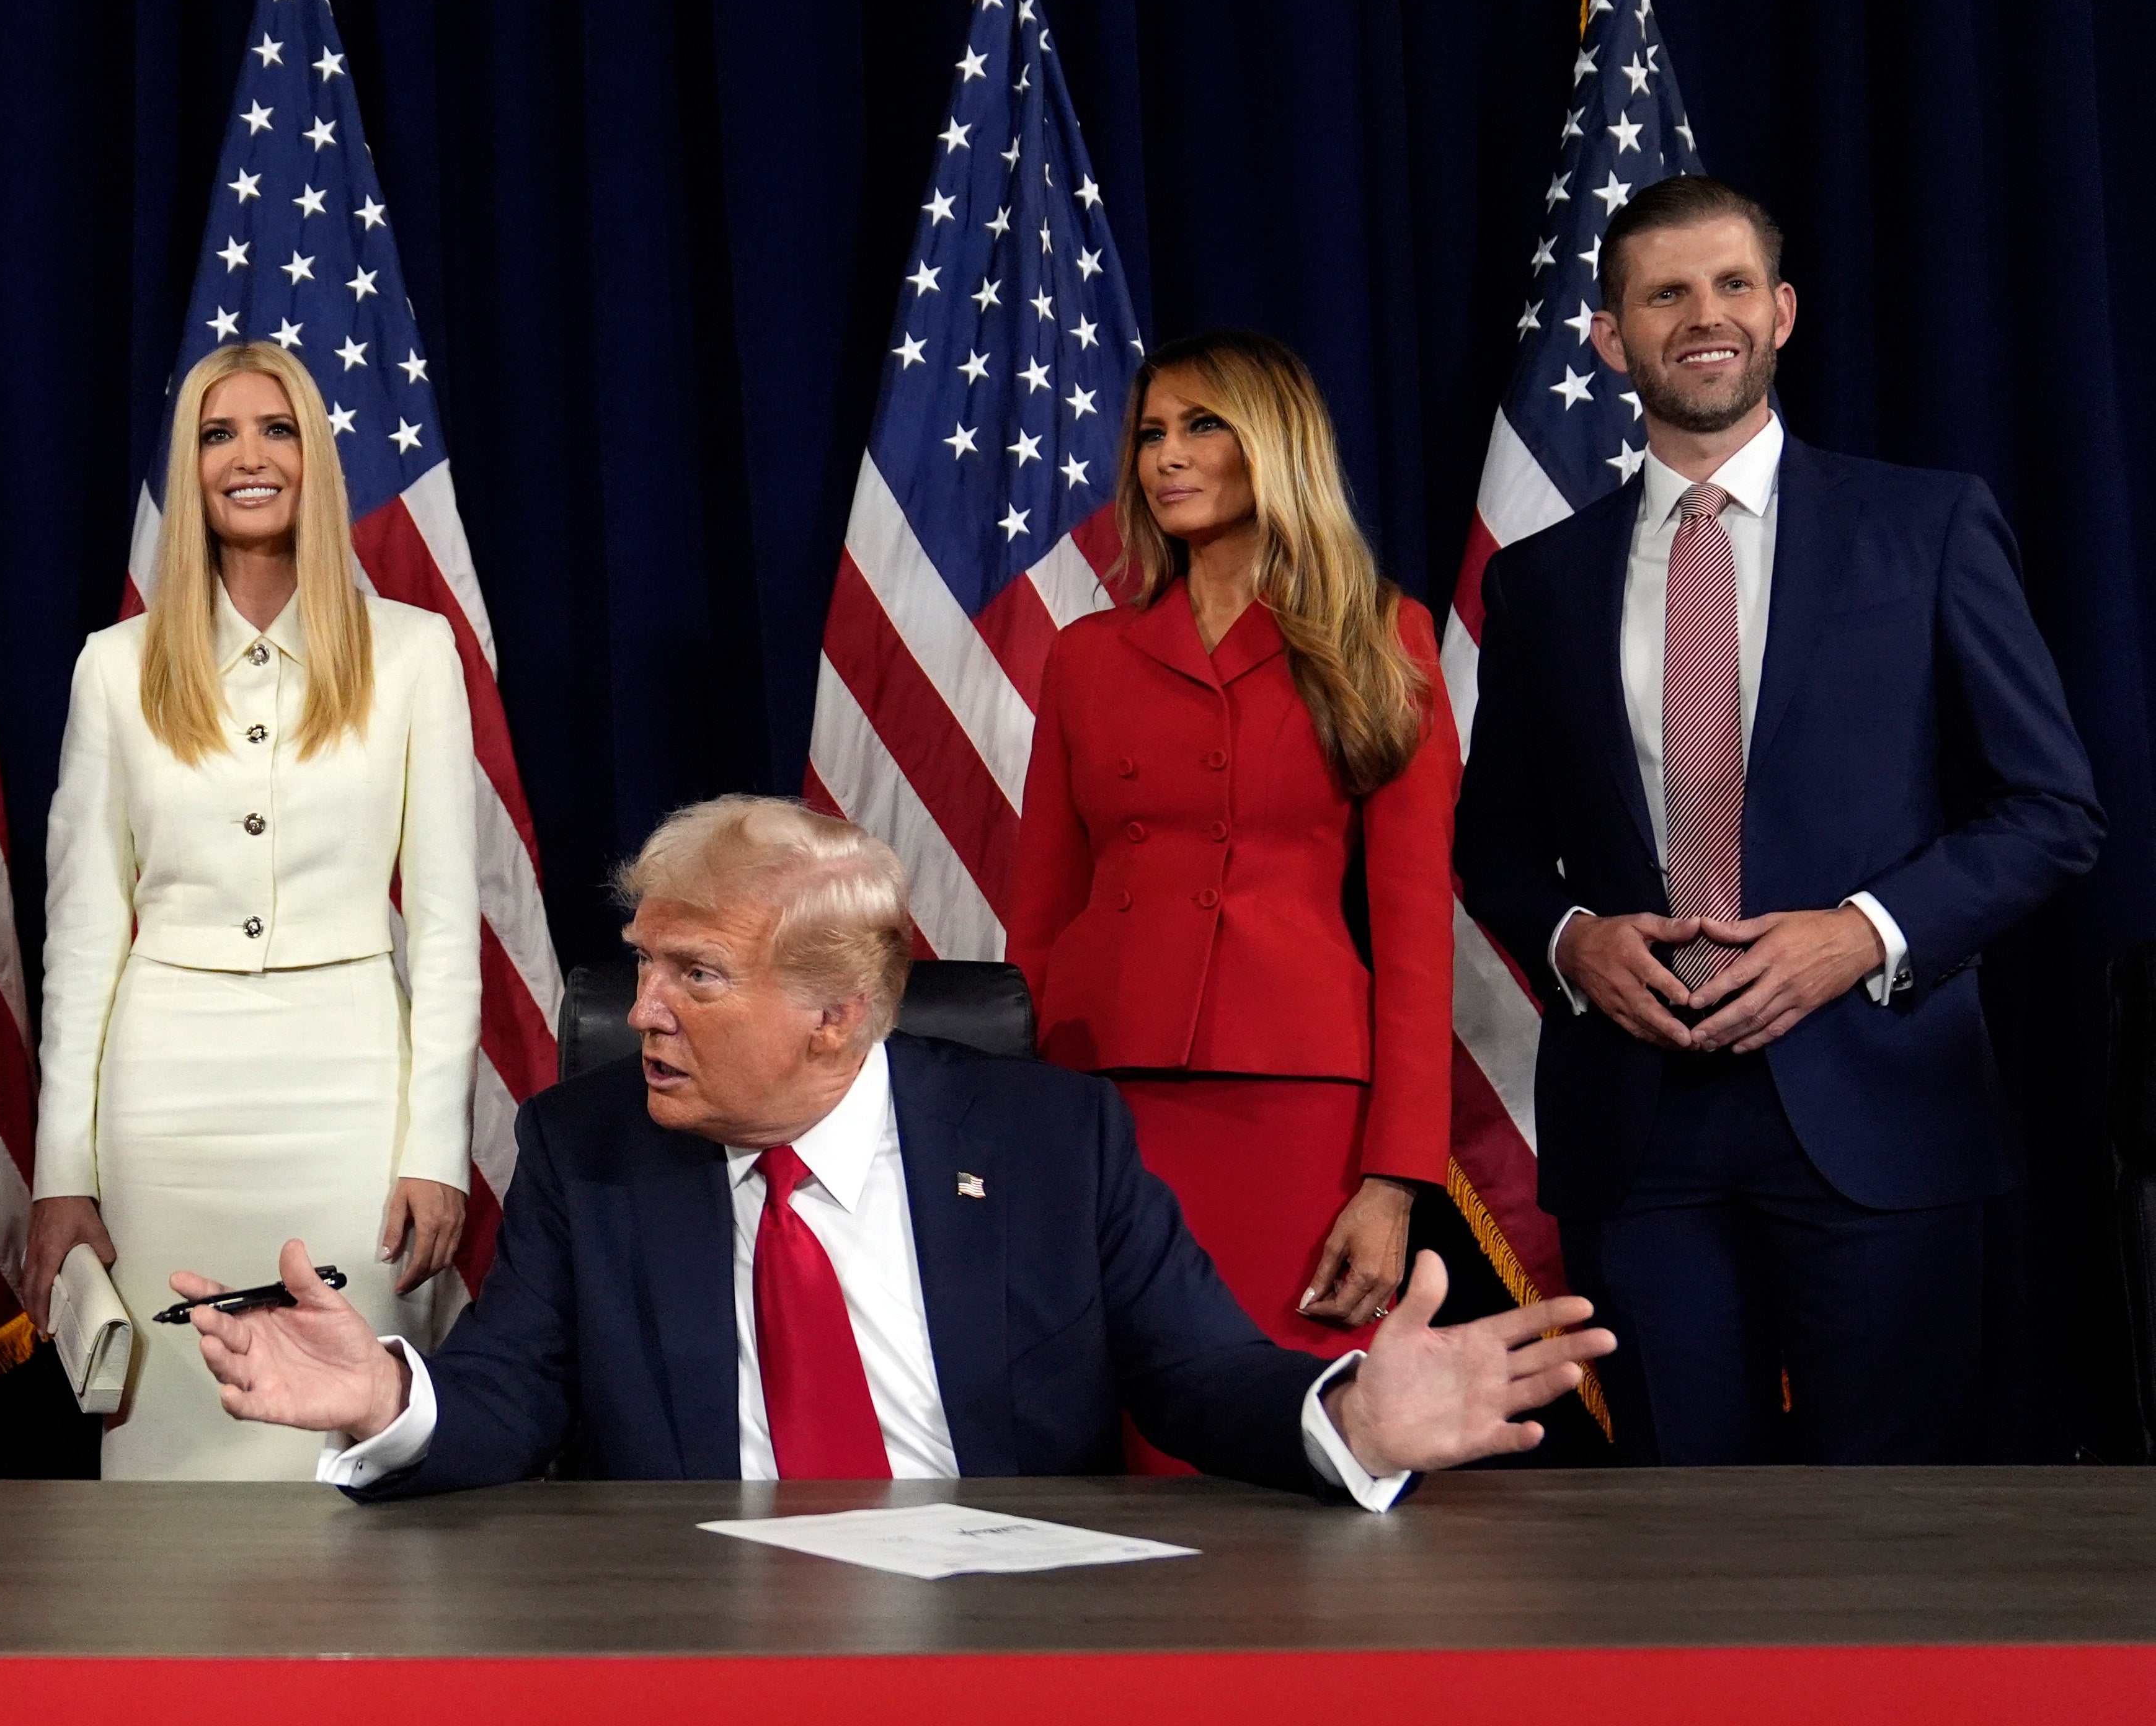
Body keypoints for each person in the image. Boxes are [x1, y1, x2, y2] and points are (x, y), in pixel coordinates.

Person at [174, 797, 1604, 1503]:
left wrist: (1345, 1418)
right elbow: (504, 1396)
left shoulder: (1052, 1140)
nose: (641, 1013)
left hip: (1002, 1637)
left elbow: (1203, 1375)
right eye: (641, 968)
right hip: (693, 1649)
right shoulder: (585, 1148)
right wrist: (380, 1398)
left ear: (834, 1016)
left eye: (694, 976)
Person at [1455, 176, 2101, 1464]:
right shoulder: (1537, 580)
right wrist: (1573, 936)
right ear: (1608, 338)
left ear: (1782, 310)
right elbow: (1493, 842)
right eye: (1664, 293)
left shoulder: (1923, 527)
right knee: (1683, 1552)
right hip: (1637, 1133)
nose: (1704, 315)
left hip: (1878, 1099)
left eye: (1731, 284)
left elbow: (2048, 809)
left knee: (1891, 1541)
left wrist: (1858, 933)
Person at [24, 342, 481, 1478]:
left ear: (315, 458)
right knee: (171, 1410)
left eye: (275, 429)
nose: (248, 456)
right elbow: (82, 940)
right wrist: (59, 1172)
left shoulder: (415, 652)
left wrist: (437, 1146)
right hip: (165, 1097)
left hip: (348, 1086)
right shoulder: (113, 668)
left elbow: (443, 925)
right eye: (216, 434)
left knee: (344, 1401)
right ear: (191, 470)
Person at [1006, 330, 1460, 1470]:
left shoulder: (1381, 638)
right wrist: (1009, 1125)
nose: (1167, 455)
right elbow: (1037, 916)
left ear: (1276, 445)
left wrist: (1393, 1177)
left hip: (1294, 1103)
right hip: (1099, 1098)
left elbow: (1414, 933)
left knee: (1273, 1426)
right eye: (1151, 432)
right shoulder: (1086, 657)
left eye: (1201, 425)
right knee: (1104, 1431)